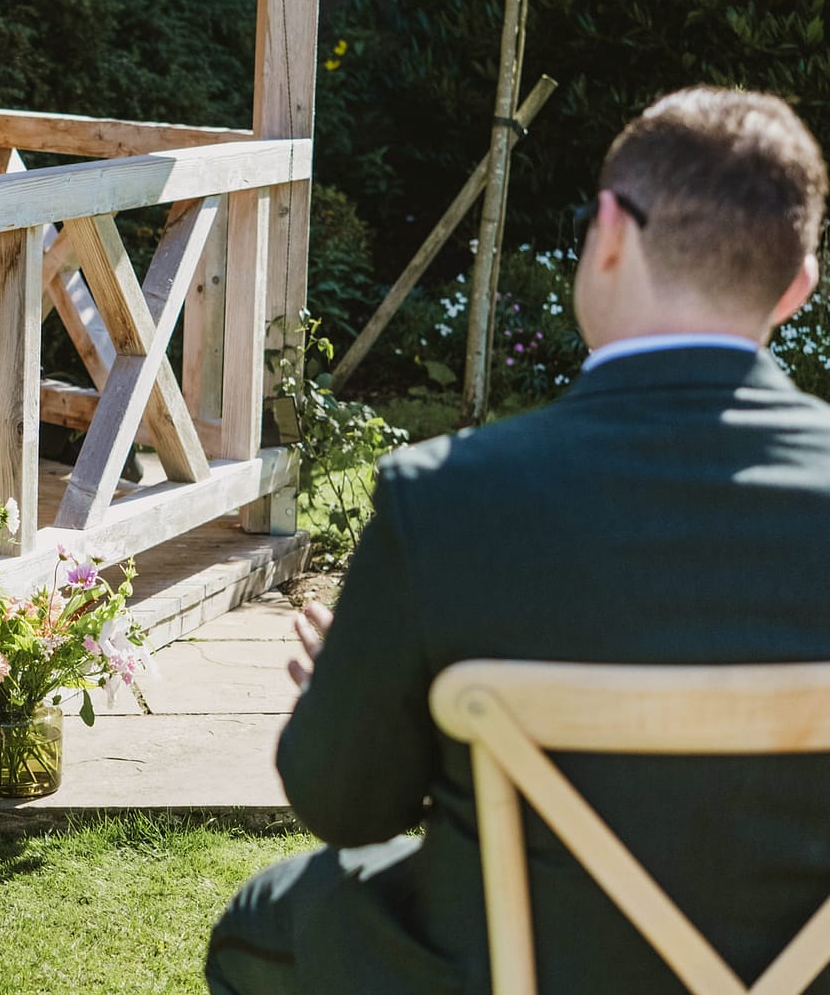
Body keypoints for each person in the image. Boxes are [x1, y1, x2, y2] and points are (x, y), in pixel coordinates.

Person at [204, 87, 830, 995]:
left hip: (515, 971)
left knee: (267, 923)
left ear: (609, 232)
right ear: (798, 288)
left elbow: (345, 804)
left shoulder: (449, 497)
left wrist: (372, 688)